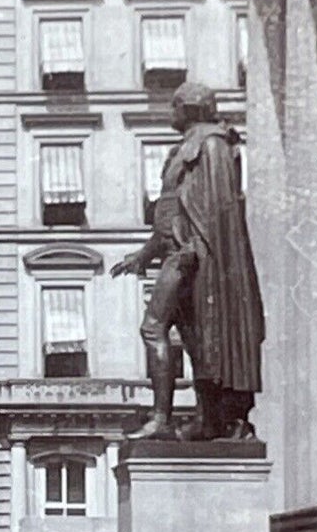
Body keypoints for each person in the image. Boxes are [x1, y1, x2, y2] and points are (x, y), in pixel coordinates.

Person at [113, 81, 265, 443]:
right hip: (178, 254)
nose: (171, 113)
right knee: (196, 340)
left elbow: (217, 210)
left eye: (175, 106)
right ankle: (206, 418)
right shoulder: (186, 150)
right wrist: (145, 253)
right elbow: (171, 212)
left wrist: (193, 251)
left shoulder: (211, 145)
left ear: (190, 108)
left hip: (190, 257)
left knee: (154, 327)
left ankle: (163, 417)